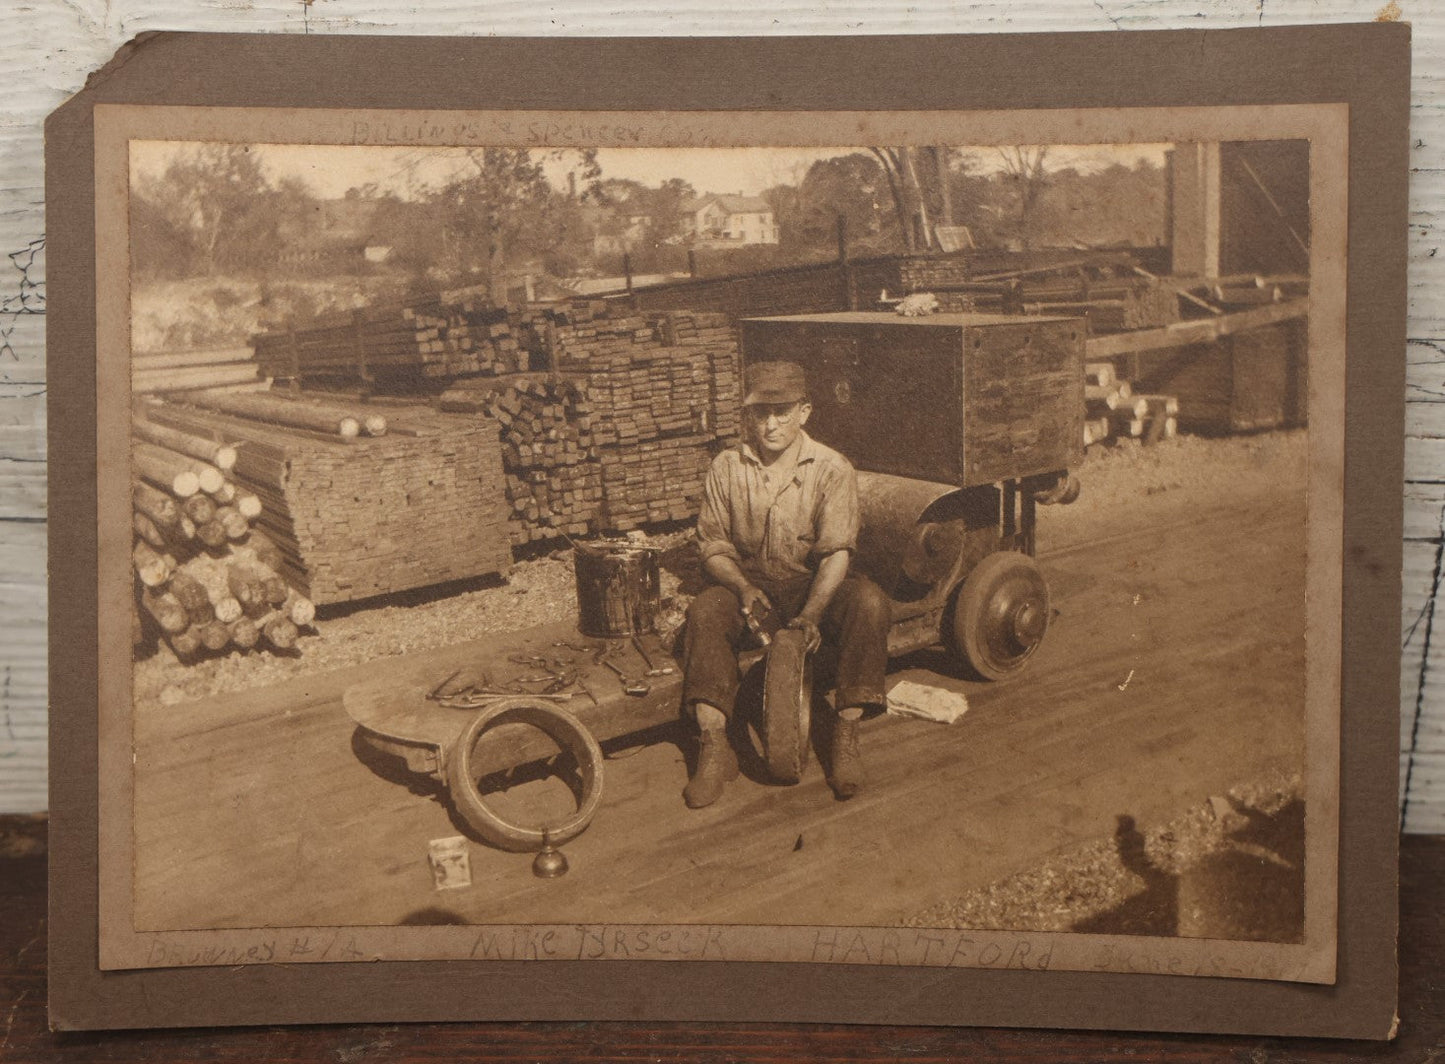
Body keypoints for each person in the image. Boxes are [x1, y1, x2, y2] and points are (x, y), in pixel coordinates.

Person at [681, 360, 891, 808]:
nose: (771, 425)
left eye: (782, 412)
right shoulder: (726, 467)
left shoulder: (832, 468)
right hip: (751, 584)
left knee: (869, 603)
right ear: (748, 416)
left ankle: (845, 736)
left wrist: (813, 612)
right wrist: (741, 588)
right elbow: (713, 546)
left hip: (810, 584)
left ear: (805, 411)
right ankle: (714, 747)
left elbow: (836, 553)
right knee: (703, 612)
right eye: (761, 413)